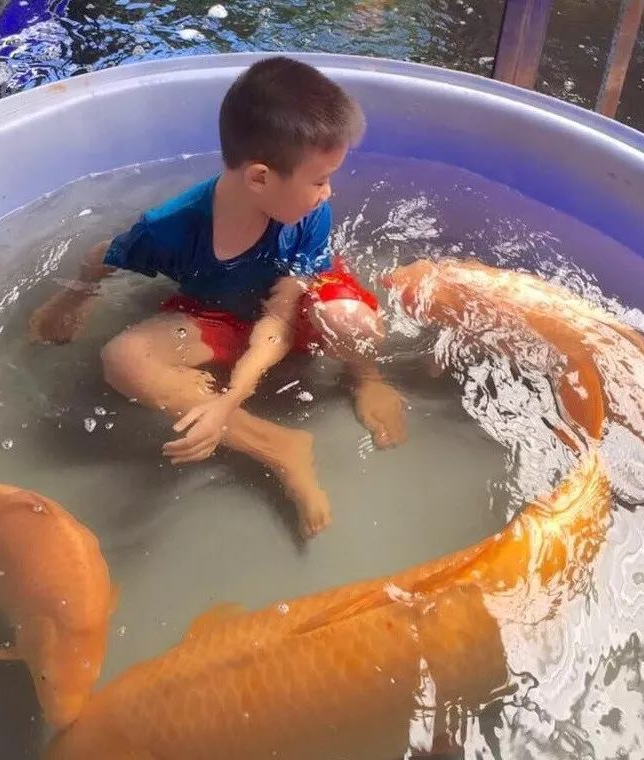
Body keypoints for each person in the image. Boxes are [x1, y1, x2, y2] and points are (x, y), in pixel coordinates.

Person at [28, 57, 406, 538]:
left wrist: (228, 400)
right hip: (218, 314)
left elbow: (279, 320)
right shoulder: (170, 229)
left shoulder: (309, 215)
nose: (327, 193)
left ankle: (365, 378)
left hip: (293, 305)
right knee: (124, 359)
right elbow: (106, 254)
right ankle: (276, 445)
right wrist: (75, 297)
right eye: (318, 181)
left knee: (351, 319)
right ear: (259, 178)